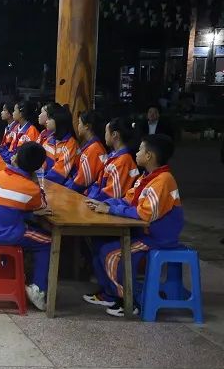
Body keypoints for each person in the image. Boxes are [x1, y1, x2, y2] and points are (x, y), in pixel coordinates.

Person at [84, 134, 184, 317]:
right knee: (99, 243)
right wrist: (106, 204)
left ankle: (131, 301)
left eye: (140, 150)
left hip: (156, 238)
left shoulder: (163, 181)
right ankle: (110, 294)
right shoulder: (147, 177)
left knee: (111, 254)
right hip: (143, 232)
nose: (136, 153)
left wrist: (111, 210)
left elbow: (144, 214)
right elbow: (128, 199)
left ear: (149, 156)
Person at [0, 142, 53, 311]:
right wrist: (35, 181)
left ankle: (9, 270)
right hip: (3, 234)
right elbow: (42, 205)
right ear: (37, 167)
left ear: (16, 158)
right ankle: (38, 290)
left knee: (20, 221)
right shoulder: (30, 188)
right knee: (48, 241)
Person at [86, 117, 139, 201]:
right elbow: (99, 183)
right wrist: (88, 195)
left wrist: (92, 200)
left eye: (106, 132)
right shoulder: (113, 156)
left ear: (114, 134)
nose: (105, 135)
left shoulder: (124, 161)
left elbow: (112, 195)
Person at [43, 105, 80, 187]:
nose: (46, 121)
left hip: (62, 187)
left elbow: (58, 174)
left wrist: (40, 182)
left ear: (58, 121)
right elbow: (40, 164)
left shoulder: (71, 144)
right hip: (46, 183)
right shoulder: (49, 139)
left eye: (49, 118)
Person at [71, 111, 106, 193]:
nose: (78, 126)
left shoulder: (94, 149)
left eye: (79, 123)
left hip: (87, 194)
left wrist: (67, 190)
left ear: (87, 126)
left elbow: (81, 182)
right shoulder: (91, 146)